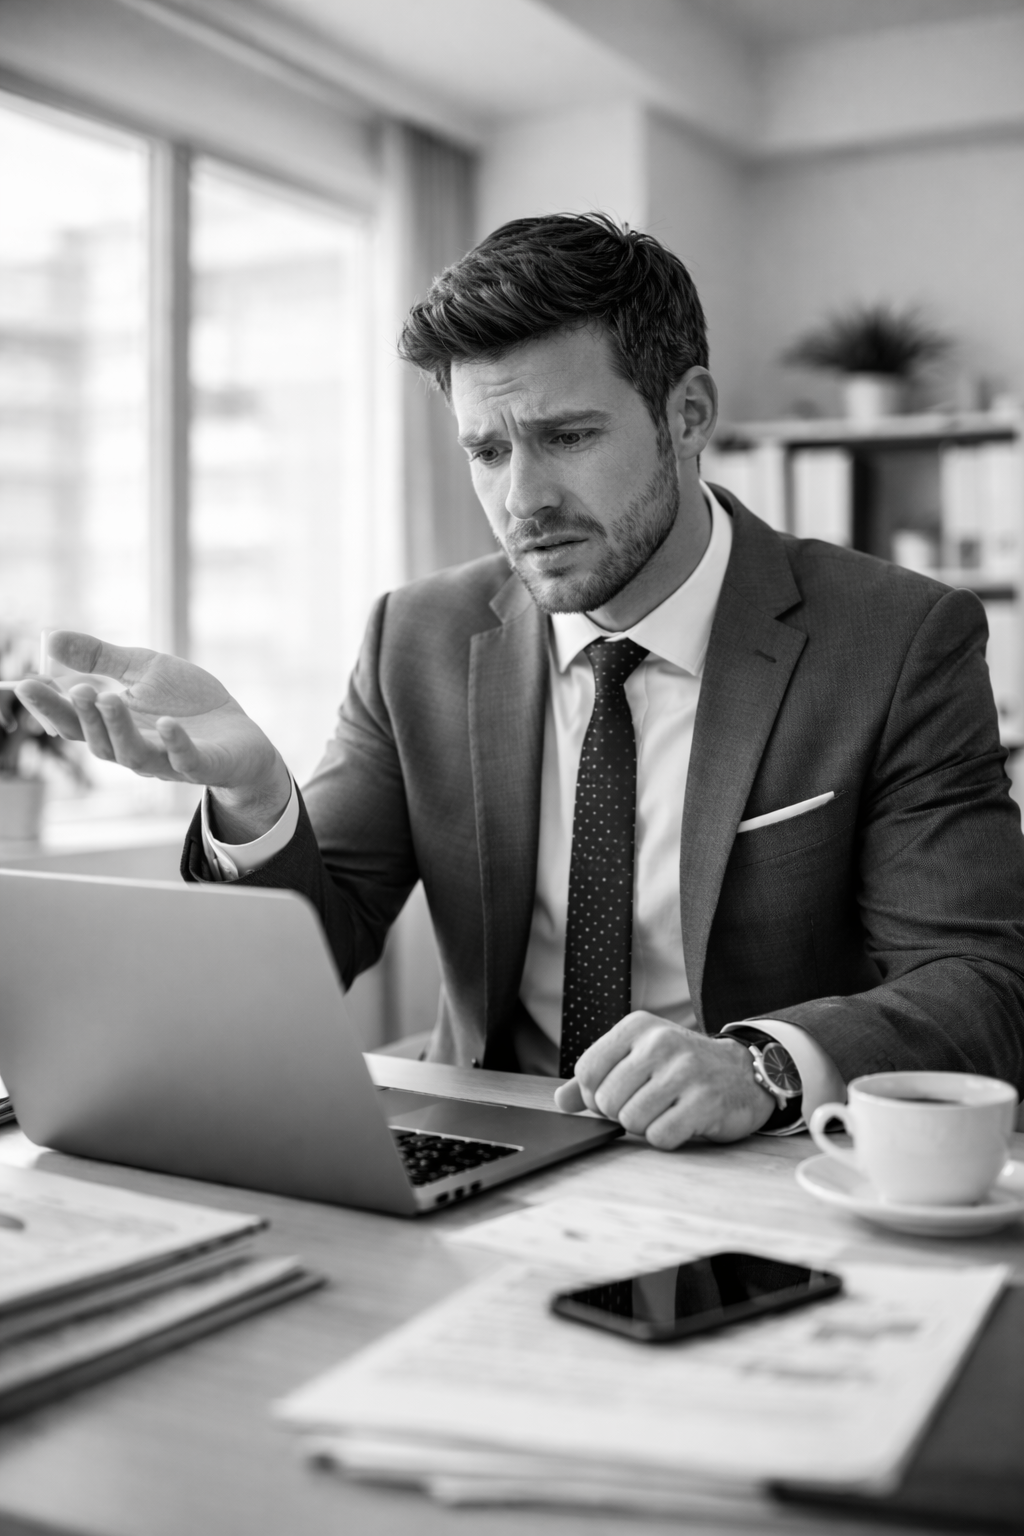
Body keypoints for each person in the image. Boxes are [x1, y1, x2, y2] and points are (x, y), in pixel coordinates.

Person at [19, 214, 1024, 1150]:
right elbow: (312, 948)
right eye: (488, 451)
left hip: (752, 1164)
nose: (522, 500)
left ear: (688, 412)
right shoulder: (415, 636)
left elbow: (982, 982)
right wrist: (250, 796)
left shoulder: (892, 640)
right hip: (486, 1148)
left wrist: (761, 1064)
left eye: (567, 437)